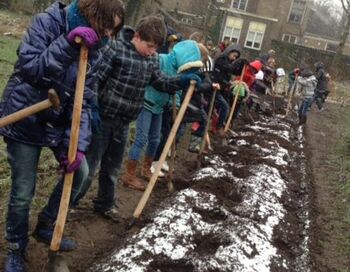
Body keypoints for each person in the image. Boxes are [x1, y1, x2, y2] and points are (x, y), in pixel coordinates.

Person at [0, 0, 125, 271]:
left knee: (80, 173)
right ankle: (16, 247)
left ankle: (46, 224)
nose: (108, 37)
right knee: (23, 191)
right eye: (105, 28)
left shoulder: (96, 49)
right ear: (91, 15)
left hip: (56, 121)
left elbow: (85, 99)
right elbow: (30, 69)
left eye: (113, 32)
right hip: (26, 113)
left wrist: (76, 145)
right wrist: (68, 45)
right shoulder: (48, 23)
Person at [73, 16, 201, 220]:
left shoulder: (151, 59)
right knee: (90, 167)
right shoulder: (116, 50)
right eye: (149, 46)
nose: (152, 51)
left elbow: (160, 82)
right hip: (103, 119)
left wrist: (181, 81)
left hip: (124, 122)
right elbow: (95, 81)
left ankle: (104, 204)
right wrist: (93, 109)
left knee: (112, 167)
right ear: (137, 36)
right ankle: (71, 202)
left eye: (155, 48)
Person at [122, 40, 203, 187]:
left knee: (155, 140)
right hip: (146, 103)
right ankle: (129, 175)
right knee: (141, 139)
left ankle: (146, 169)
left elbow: (177, 90)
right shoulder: (161, 60)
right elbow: (154, 79)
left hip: (159, 107)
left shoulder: (179, 70)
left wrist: (176, 106)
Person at [211, 44, 247, 136]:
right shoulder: (221, 59)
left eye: (236, 57)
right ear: (229, 52)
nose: (234, 58)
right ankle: (218, 127)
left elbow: (236, 71)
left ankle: (218, 126)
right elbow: (228, 68)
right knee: (224, 106)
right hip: (215, 87)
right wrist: (239, 62)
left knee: (225, 107)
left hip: (222, 89)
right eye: (234, 56)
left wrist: (242, 66)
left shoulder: (229, 62)